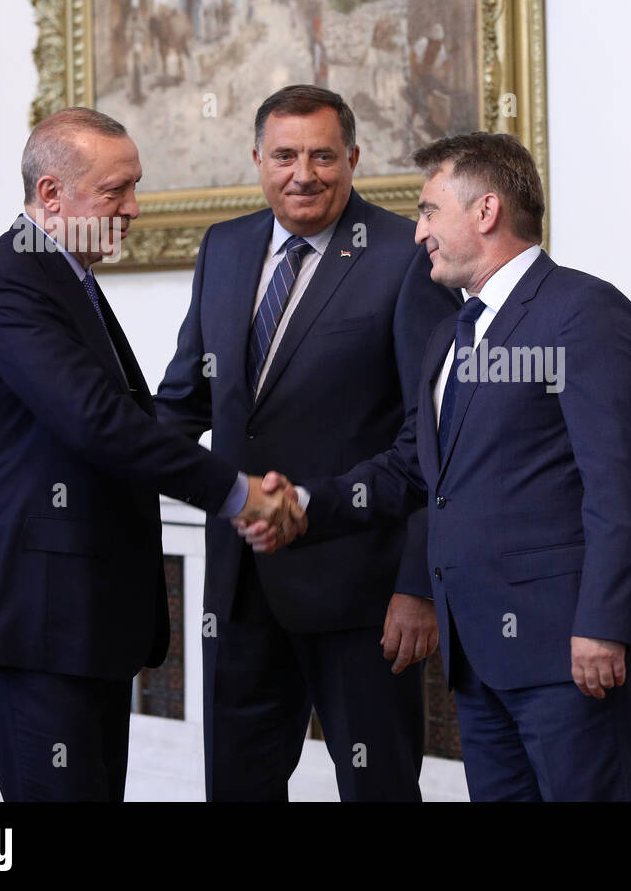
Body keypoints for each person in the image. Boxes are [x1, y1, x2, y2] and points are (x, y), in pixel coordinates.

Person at [242, 132, 631, 801]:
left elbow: (617, 486)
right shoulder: (452, 333)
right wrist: (304, 499)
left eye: (428, 211)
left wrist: (602, 624)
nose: (418, 235)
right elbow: (413, 469)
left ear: (485, 211)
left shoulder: (583, 312)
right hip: (477, 655)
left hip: (568, 648)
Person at [0, 107, 303, 801]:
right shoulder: (11, 283)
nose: (134, 208)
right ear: (52, 195)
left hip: (80, 622)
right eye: (117, 190)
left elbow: (133, 424)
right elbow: (98, 422)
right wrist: (239, 494)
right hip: (34, 622)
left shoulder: (64, 277)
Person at [154, 86, 460, 801]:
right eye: (285, 155)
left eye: (324, 156)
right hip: (239, 588)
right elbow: (183, 403)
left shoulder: (403, 255)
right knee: (238, 786)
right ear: (258, 159)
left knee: (377, 786)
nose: (304, 173)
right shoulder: (224, 248)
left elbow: (434, 438)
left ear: (353, 159)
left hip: (364, 593)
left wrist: (417, 586)